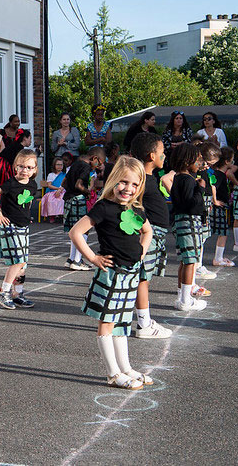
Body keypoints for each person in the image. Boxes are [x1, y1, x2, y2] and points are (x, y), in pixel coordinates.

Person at [70, 156, 154, 390]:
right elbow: (76, 232)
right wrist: (93, 258)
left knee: (122, 322)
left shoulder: (136, 208)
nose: (128, 188)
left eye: (135, 184)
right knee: (107, 324)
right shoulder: (104, 208)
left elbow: (147, 232)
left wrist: (141, 252)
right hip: (111, 273)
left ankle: (126, 368)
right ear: (114, 180)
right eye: (123, 182)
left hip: (131, 273)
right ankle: (112, 373)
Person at [0, 148, 39, 310]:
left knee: (23, 263)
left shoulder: (33, 185)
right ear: (15, 167)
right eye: (21, 166)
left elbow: (24, 204)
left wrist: (27, 217)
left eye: (29, 167)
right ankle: (3, 291)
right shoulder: (10, 183)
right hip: (10, 226)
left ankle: (17, 294)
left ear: (35, 169)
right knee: (17, 261)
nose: (24, 170)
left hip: (24, 226)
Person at [129, 133, 173, 339]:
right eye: (161, 153)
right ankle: (144, 323)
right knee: (142, 278)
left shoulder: (150, 177)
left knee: (144, 278)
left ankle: (141, 319)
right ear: (151, 155)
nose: (164, 156)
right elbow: (133, 207)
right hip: (149, 233)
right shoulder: (140, 180)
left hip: (156, 233)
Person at [169, 143, 209, 311]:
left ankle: (182, 296)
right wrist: (200, 189)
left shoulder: (180, 178)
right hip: (188, 222)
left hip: (183, 221)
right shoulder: (186, 179)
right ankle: (186, 300)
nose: (199, 163)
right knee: (190, 260)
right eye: (196, 160)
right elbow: (190, 204)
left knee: (185, 261)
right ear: (187, 162)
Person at [63, 147, 106, 270]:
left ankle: (71, 258)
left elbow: (64, 182)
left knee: (74, 229)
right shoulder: (86, 167)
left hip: (68, 199)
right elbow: (79, 185)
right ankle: (77, 261)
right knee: (83, 229)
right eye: (100, 162)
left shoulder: (75, 164)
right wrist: (87, 192)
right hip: (78, 199)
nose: (99, 166)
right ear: (95, 158)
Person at [194, 143, 222, 285]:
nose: (208, 166)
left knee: (203, 236)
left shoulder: (207, 170)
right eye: (208, 163)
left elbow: (211, 185)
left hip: (207, 203)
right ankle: (197, 267)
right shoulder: (196, 170)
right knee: (199, 236)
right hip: (200, 204)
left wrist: (213, 200)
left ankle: (198, 265)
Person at [0, 129, 32, 216]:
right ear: (25, 138)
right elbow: (16, 163)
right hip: (1, 167)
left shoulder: (15, 145)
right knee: (1, 187)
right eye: (30, 138)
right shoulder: (19, 148)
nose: (31, 141)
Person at [210, 147, 235, 267]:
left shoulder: (219, 174)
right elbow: (213, 186)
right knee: (223, 232)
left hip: (220, 206)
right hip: (218, 207)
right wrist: (215, 201)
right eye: (232, 160)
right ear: (226, 161)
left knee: (222, 231)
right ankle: (218, 258)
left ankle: (219, 256)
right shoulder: (219, 174)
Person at [40, 156, 67, 221]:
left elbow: (66, 184)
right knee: (51, 200)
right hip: (52, 191)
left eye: (61, 165)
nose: (59, 166)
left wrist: (60, 190)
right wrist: (58, 189)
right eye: (58, 164)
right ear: (54, 165)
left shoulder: (65, 175)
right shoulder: (51, 175)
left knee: (63, 199)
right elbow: (49, 185)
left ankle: (61, 214)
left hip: (62, 191)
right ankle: (52, 216)